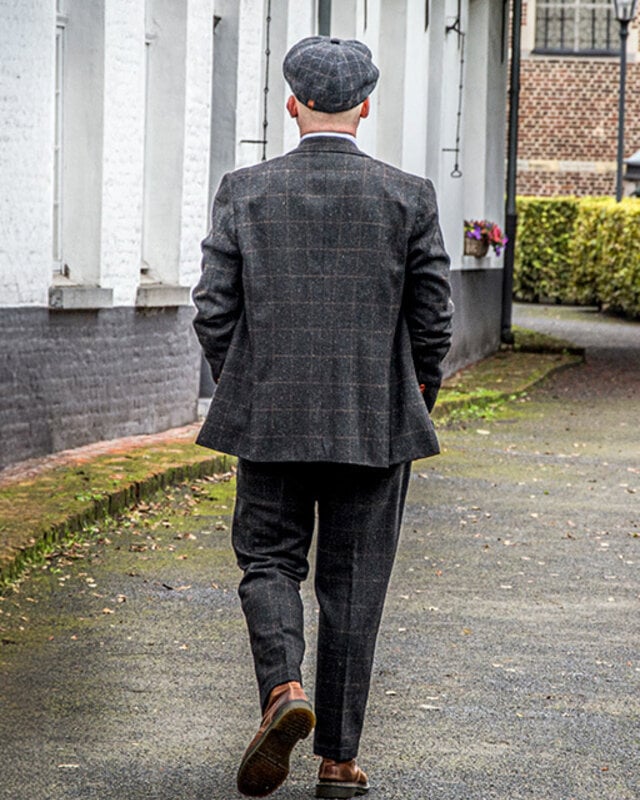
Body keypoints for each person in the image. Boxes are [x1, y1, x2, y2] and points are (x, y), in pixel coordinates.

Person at [192, 35, 453, 799]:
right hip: (374, 425)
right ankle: (338, 762)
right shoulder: (409, 196)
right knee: (355, 584)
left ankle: (282, 691)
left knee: (269, 561)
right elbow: (432, 320)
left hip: (270, 416)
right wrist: (410, 399)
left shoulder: (245, 190)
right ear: (365, 106)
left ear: (291, 104)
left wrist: (248, 385)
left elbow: (214, 311)